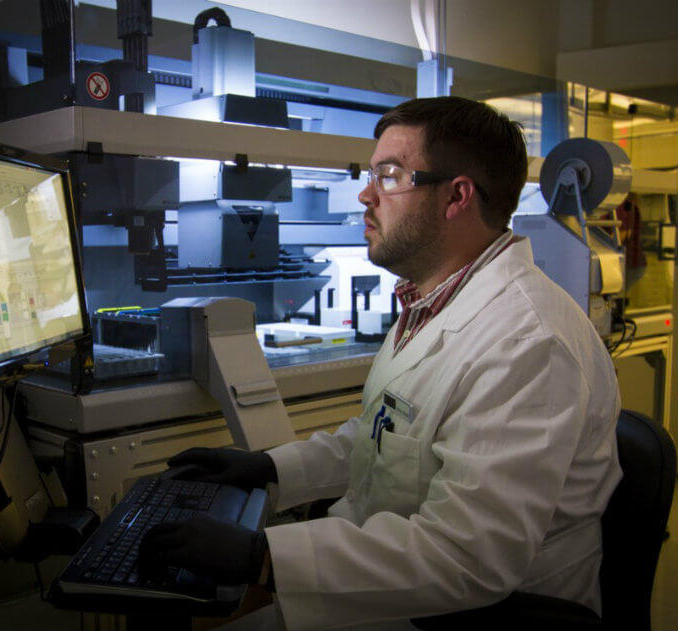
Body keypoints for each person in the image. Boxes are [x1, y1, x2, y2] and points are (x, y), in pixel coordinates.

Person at [139, 96, 622, 630]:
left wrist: (264, 557)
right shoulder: (432, 301)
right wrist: (271, 467)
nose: (366, 195)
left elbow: (469, 557)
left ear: (456, 197)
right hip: (394, 585)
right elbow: (385, 437)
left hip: (472, 615)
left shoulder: (528, 343)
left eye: (389, 176)